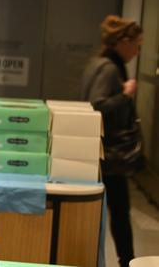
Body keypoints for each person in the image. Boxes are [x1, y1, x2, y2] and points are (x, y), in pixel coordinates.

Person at [81, 15, 143, 267]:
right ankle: (127, 260)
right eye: (137, 45)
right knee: (119, 212)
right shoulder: (109, 68)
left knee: (113, 210)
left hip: (101, 150)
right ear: (123, 42)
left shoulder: (98, 62)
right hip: (109, 153)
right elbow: (97, 106)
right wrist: (126, 96)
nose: (138, 51)